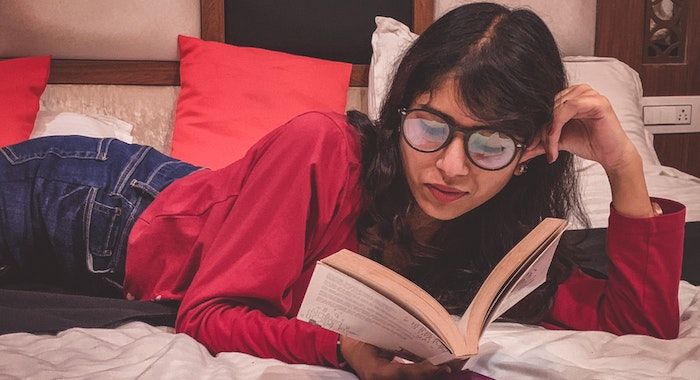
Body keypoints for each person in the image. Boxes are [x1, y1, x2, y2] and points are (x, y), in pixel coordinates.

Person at [0, 2, 685, 379]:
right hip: (96, 202)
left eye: (488, 144)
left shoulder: (503, 229)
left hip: (174, 204)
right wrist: (341, 352)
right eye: (430, 126)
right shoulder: (322, 147)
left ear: (533, 150)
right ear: (400, 112)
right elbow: (204, 315)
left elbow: (643, 322)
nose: (449, 167)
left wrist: (623, 164)